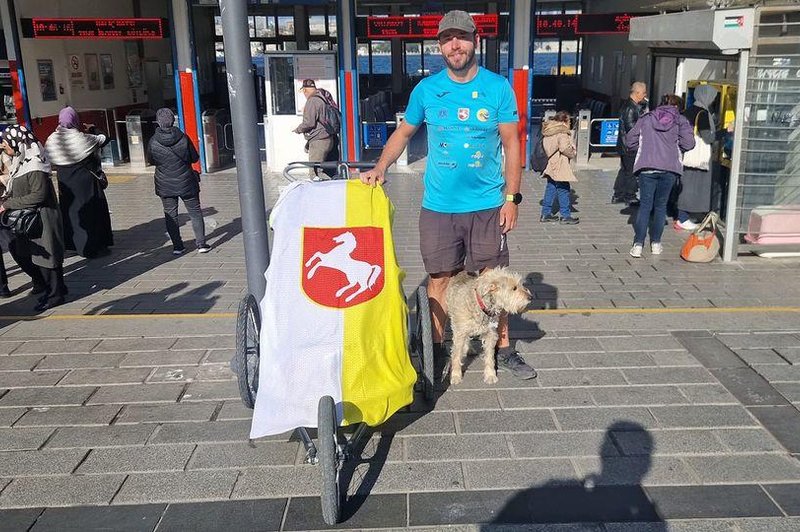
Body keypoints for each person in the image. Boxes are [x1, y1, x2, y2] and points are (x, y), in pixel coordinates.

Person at [361, 10, 536, 380]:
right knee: (439, 279)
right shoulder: (426, 90)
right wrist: (380, 167)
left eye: (461, 37)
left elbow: (511, 143)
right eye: (446, 39)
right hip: (439, 207)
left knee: (493, 277)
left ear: (476, 40)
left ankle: (503, 349)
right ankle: (435, 348)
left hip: (488, 205)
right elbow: (404, 133)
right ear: (439, 46)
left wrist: (513, 198)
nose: (454, 45)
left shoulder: (497, 88)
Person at [0, 125, 67, 310]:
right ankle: (53, 289)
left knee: (48, 258)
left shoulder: (34, 164)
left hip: (42, 217)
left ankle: (56, 295)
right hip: (29, 218)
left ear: (17, 142)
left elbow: (39, 195)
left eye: (5, 143)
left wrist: (8, 204)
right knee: (28, 253)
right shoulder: (20, 162)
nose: (3, 147)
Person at [625, 94, 695, 258]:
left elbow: (630, 140)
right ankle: (656, 243)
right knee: (660, 206)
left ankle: (638, 244)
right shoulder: (680, 120)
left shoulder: (646, 118)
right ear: (678, 106)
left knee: (645, 206)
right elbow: (689, 143)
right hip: (669, 167)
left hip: (647, 166)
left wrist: (644, 149)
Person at [45, 106, 113, 258]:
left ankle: (75, 245)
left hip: (64, 181)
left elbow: (48, 158)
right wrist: (93, 128)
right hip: (85, 181)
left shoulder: (51, 139)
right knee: (92, 212)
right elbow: (104, 139)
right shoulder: (81, 138)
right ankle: (94, 247)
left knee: (71, 213)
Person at [146, 108, 210, 255]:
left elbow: (151, 160)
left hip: (164, 183)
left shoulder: (153, 141)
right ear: (173, 120)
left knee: (170, 214)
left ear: (158, 122)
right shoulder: (183, 138)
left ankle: (178, 247)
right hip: (186, 181)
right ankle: (201, 244)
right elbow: (194, 158)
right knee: (195, 212)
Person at [675, 84, 719, 231]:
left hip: (686, 154)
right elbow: (708, 137)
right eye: (712, 97)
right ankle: (683, 218)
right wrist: (724, 131)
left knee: (686, 185)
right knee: (693, 187)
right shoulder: (703, 114)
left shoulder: (687, 111)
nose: (713, 100)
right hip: (698, 158)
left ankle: (685, 215)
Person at [539, 111, 579, 224]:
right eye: (569, 121)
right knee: (564, 188)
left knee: (551, 187)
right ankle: (566, 215)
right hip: (560, 164)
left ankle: (545, 213)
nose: (570, 123)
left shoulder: (549, 131)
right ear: (564, 121)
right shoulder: (561, 132)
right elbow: (564, 148)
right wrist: (573, 152)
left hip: (551, 164)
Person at [612, 82, 648, 206]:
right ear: (637, 93)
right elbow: (631, 128)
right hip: (629, 145)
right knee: (632, 170)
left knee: (625, 169)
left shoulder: (632, 106)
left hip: (625, 144)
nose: (645, 95)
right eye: (644, 93)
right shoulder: (630, 108)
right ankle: (629, 195)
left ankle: (619, 194)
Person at [294, 79, 339, 172]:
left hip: (319, 140)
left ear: (305, 90)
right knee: (327, 170)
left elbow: (309, 123)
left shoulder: (312, 101)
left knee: (314, 173)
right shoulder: (323, 97)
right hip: (329, 138)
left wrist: (298, 129)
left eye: (303, 91)